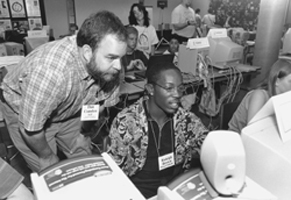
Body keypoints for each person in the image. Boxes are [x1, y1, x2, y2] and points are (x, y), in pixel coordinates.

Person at [0, 10, 127, 172]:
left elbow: (98, 104)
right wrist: (46, 156)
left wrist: (83, 133)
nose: (118, 66)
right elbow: (30, 128)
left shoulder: (111, 68)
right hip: (27, 116)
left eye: (120, 57)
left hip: (69, 108)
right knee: (52, 172)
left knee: (84, 160)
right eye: (111, 57)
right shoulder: (51, 72)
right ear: (87, 53)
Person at [107, 62, 208, 198]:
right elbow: (114, 171)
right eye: (169, 88)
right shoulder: (127, 122)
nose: (177, 94)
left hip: (176, 190)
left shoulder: (185, 119)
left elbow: (208, 142)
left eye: (180, 88)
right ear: (151, 89)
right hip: (140, 193)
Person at [228, 59, 291, 134]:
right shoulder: (259, 96)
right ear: (277, 81)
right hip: (237, 139)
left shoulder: (283, 98)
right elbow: (253, 130)